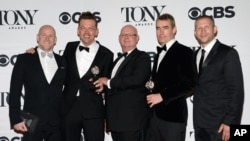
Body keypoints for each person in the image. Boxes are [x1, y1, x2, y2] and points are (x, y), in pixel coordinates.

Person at [60, 11, 114, 141]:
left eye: (91, 28)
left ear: (97, 31)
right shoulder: (69, 47)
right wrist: (35, 50)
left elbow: (109, 86)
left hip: (94, 110)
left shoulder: (107, 54)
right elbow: (55, 64)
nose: (86, 32)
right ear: (78, 31)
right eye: (83, 28)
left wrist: (108, 116)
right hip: (69, 108)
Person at [9, 25, 67, 141]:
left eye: (51, 36)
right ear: (37, 38)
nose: (47, 38)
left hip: (56, 121)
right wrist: (15, 119)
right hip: (30, 119)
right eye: (43, 35)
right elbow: (15, 91)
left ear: (55, 40)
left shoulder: (63, 61)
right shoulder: (24, 59)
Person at [94, 24, 151, 141]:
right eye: (123, 35)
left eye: (131, 34)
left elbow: (136, 80)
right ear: (119, 38)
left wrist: (108, 82)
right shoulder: (116, 61)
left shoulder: (142, 57)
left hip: (132, 122)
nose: (126, 37)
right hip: (116, 122)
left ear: (137, 38)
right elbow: (112, 90)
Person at [193, 15, 244, 141]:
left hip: (221, 125)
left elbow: (236, 91)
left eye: (206, 27)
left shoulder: (228, 53)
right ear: (195, 33)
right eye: (199, 28)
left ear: (215, 29)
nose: (203, 31)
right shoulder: (194, 55)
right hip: (200, 125)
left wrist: (230, 122)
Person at [146, 13, 196, 141]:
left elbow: (190, 84)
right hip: (155, 117)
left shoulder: (184, 51)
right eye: (158, 28)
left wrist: (162, 96)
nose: (161, 32)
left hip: (173, 118)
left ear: (174, 30)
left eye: (165, 27)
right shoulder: (159, 55)